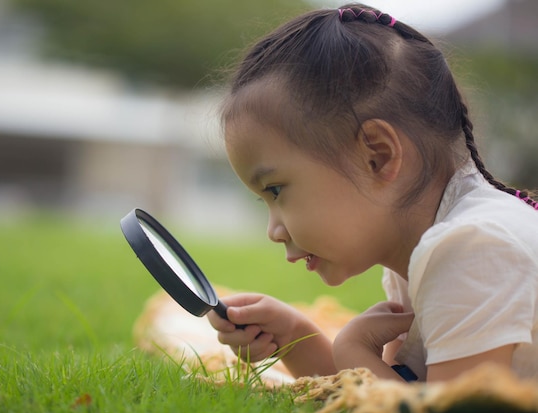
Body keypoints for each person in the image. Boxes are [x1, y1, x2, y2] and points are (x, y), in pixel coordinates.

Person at [207, 3, 538, 382]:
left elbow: (444, 409)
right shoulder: (425, 252)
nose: (274, 230)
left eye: (276, 190)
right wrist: (297, 339)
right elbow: (401, 386)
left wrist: (353, 350)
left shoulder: (475, 247)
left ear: (377, 156)